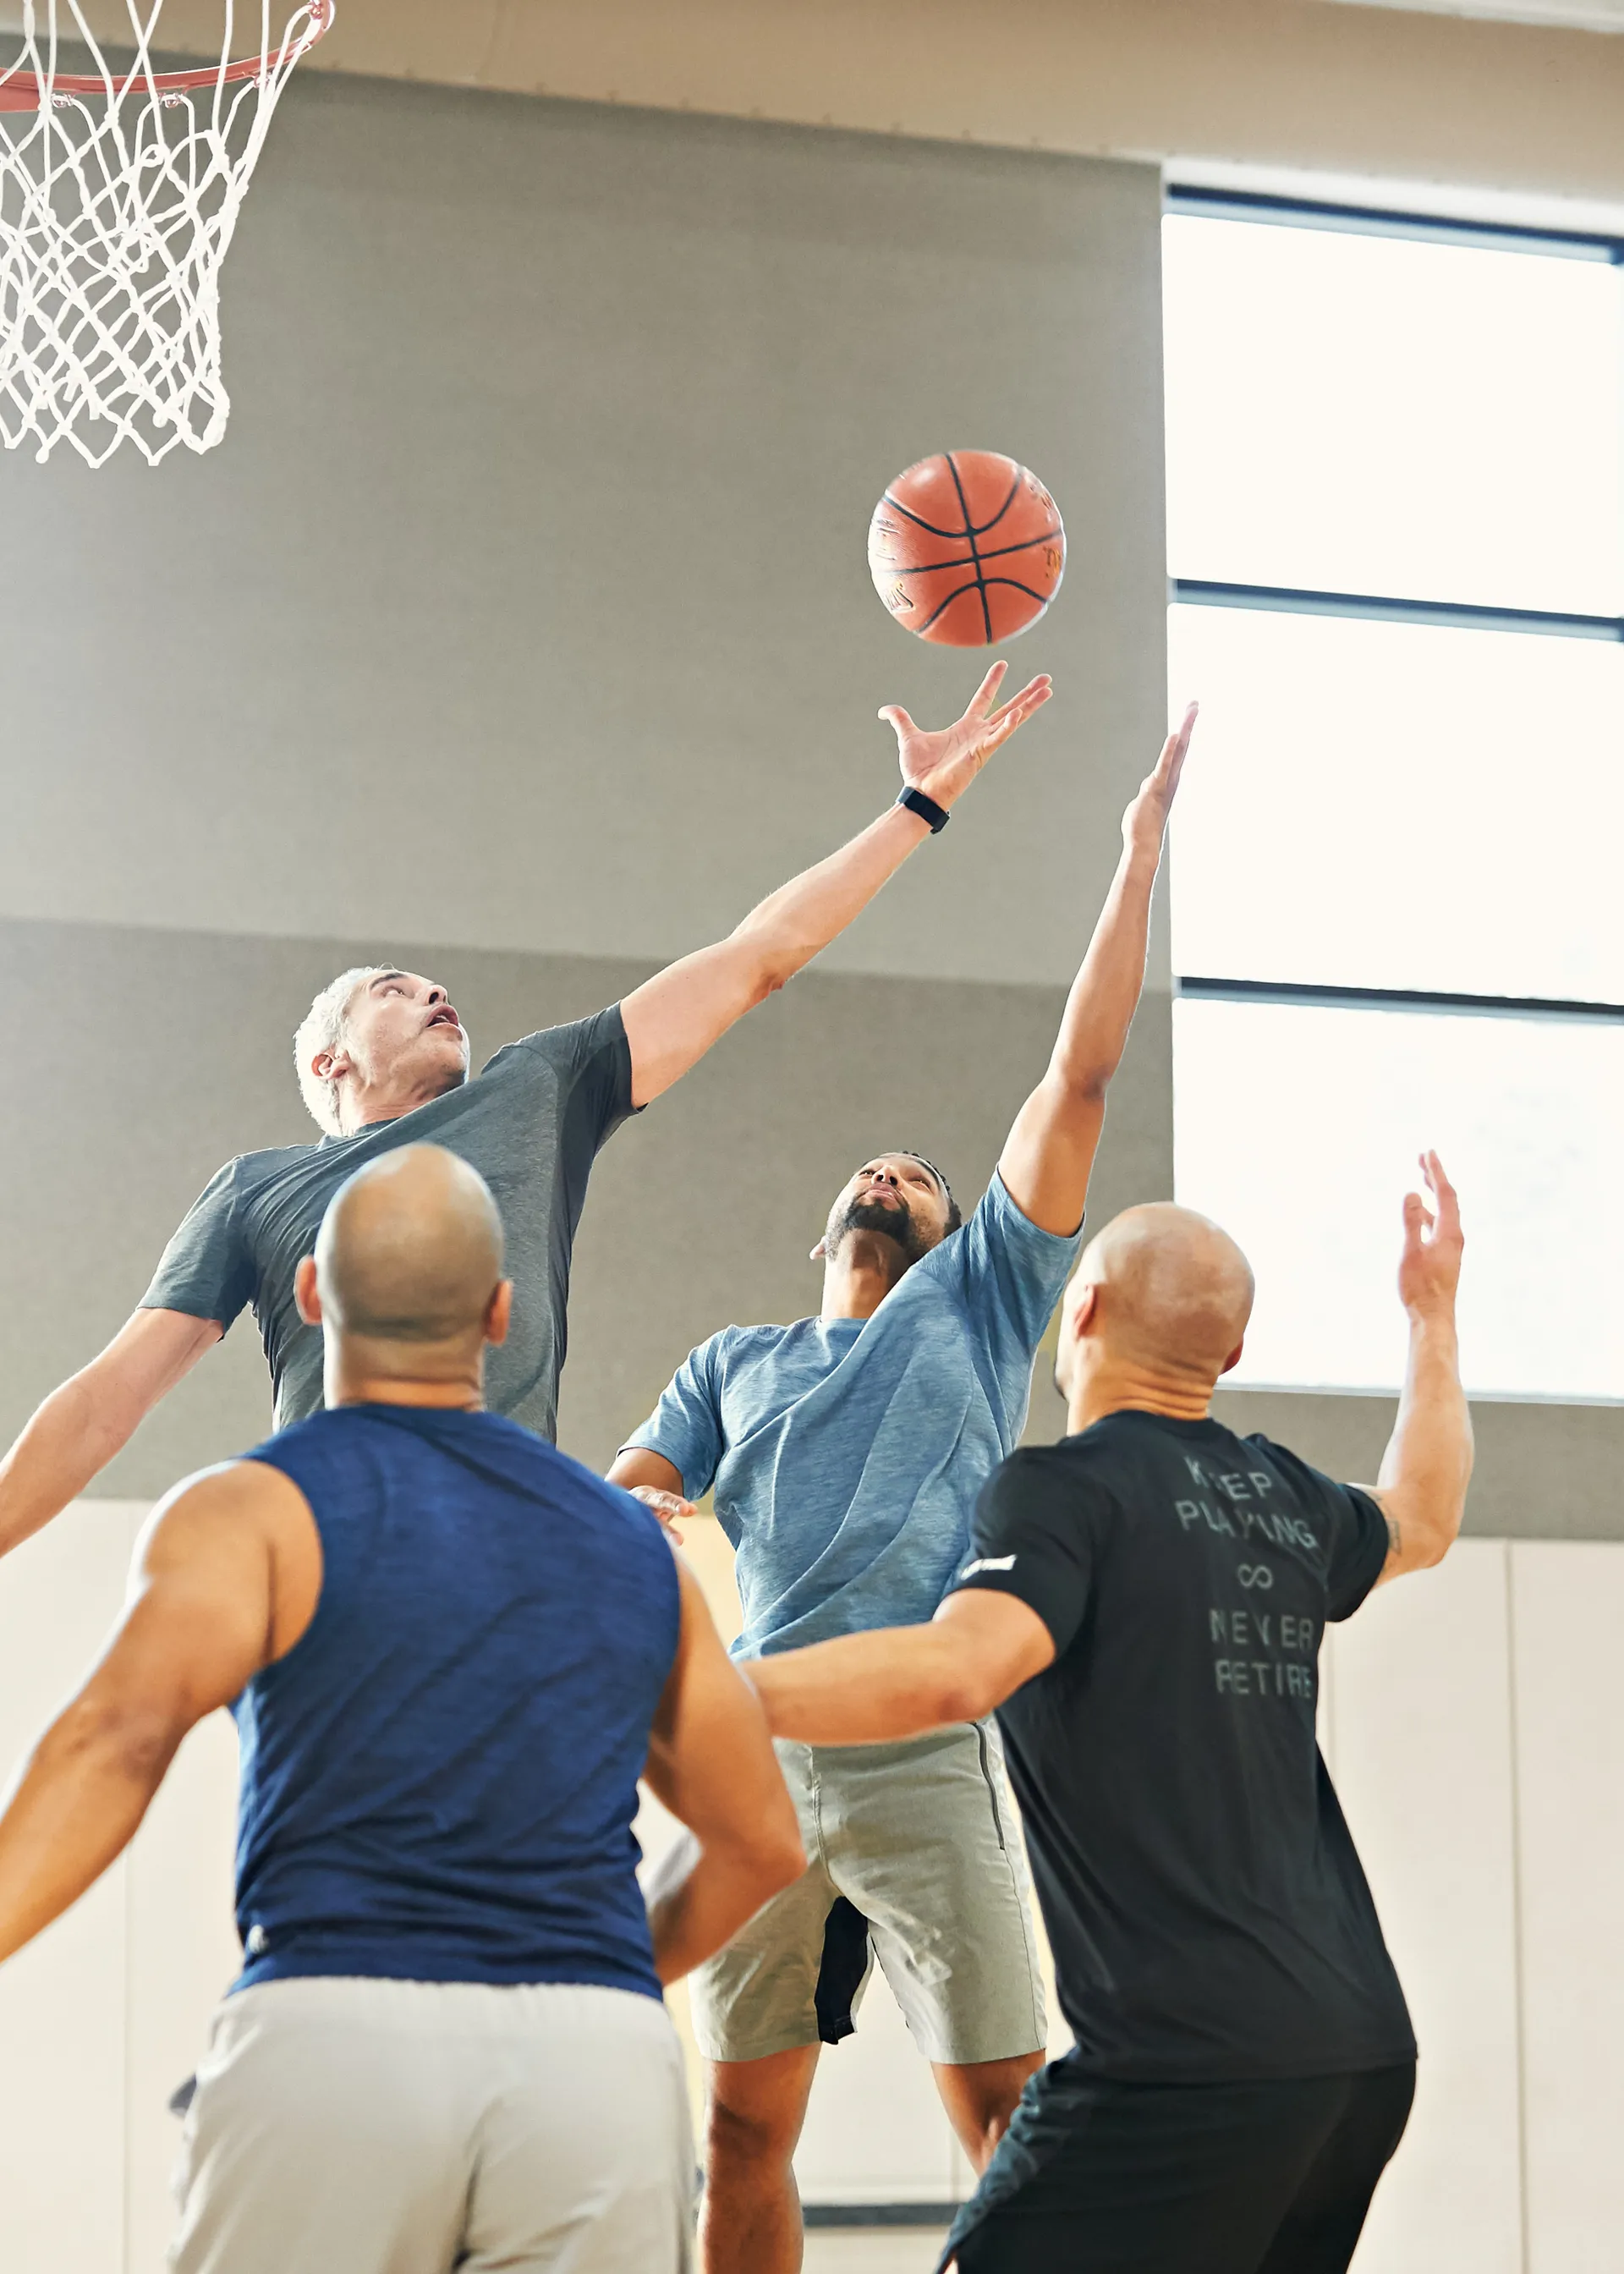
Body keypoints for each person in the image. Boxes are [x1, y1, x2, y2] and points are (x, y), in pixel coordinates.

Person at [0, 662, 1051, 1557]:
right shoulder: (257, 1190)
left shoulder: (537, 1086)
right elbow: (106, 1400)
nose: (432, 994)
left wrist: (917, 808)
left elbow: (757, 957)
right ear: (328, 1059)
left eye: (435, 986)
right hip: (332, 1537)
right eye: (394, 991)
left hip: (508, 1543)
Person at [610, 704, 1199, 2274]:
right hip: (762, 1751)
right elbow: (626, 1491)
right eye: (872, 1171)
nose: (893, 1169)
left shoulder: (988, 1297)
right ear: (827, 1230)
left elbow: (1076, 1078)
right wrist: (637, 1515)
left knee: (1010, 2108)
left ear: (953, 1230)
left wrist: (1134, 859)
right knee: (738, 2134)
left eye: (922, 1172)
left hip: (929, 1747)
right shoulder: (735, 1357)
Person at [0, 1145, 805, 2273]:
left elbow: (111, 1744)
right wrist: (594, 1965)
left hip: (334, 2036)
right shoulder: (635, 1543)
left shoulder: (249, 1513)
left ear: (313, 1294)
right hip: (596, 2062)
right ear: (499, 1313)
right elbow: (762, 1838)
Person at [746, 1156, 1473, 2274]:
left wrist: (706, 1693)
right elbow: (1424, 1514)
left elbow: (955, 1671)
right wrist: (1432, 1314)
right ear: (1229, 1356)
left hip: (1177, 2065)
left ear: (1075, 1311)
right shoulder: (1282, 1497)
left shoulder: (1059, 1491)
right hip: (1358, 2060)